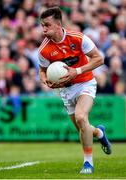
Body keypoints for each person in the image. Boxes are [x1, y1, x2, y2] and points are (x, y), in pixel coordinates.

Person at [38, 7, 112, 174]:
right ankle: (99, 133)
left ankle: (88, 163)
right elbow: (42, 70)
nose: (43, 29)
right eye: (42, 25)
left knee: (81, 117)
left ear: (58, 24)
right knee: (83, 128)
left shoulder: (78, 38)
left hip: (85, 83)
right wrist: (44, 79)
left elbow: (99, 59)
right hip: (65, 90)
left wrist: (77, 71)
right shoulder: (44, 49)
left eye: (47, 25)